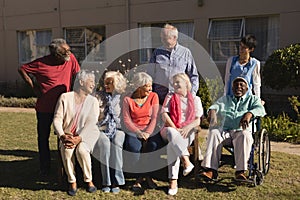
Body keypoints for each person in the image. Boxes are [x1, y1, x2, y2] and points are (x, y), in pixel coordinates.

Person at [18, 38, 80, 176]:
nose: (69, 53)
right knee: (43, 137)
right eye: (66, 51)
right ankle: (45, 167)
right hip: (45, 107)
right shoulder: (41, 63)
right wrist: (33, 87)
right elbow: (22, 69)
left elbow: (78, 74)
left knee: (63, 137)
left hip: (64, 107)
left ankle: (65, 167)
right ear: (57, 55)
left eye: (69, 50)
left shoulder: (71, 59)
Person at [200, 77, 266, 181]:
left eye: (241, 85)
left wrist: (249, 114)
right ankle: (211, 170)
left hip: (241, 131)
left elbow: (260, 109)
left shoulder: (253, 99)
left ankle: (240, 171)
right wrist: (212, 112)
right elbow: (215, 106)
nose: (238, 87)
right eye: (236, 85)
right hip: (226, 131)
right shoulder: (226, 99)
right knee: (214, 133)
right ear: (232, 88)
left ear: (247, 88)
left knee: (245, 135)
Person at [53, 70, 99, 196]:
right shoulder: (65, 97)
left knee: (82, 151)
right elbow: (57, 119)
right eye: (91, 82)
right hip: (67, 135)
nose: (93, 85)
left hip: (86, 135)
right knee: (67, 150)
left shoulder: (93, 101)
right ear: (81, 82)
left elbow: (91, 122)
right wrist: (62, 135)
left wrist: (79, 138)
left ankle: (89, 180)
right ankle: (72, 181)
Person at [160, 73, 203, 195]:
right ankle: (186, 161)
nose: (175, 84)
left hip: (187, 131)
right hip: (169, 129)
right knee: (172, 133)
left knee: (172, 147)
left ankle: (173, 181)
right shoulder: (170, 96)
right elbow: (164, 114)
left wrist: (187, 128)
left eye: (178, 82)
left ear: (186, 83)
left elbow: (198, 120)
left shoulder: (195, 99)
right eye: (174, 83)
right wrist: (175, 128)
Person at [122, 72, 163, 191]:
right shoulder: (127, 99)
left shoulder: (153, 96)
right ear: (139, 86)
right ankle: (140, 176)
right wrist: (138, 133)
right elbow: (126, 120)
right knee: (133, 147)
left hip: (150, 128)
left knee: (153, 145)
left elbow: (155, 117)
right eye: (147, 86)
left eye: (151, 86)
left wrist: (148, 133)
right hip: (134, 130)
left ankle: (146, 176)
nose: (150, 89)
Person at [93, 71, 127, 194]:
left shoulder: (123, 97)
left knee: (117, 143)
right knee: (105, 145)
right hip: (101, 128)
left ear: (117, 83)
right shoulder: (98, 96)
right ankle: (106, 181)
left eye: (110, 83)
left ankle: (116, 181)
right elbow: (94, 117)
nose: (106, 85)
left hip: (119, 129)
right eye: (105, 82)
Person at [149, 23, 199, 104]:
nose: (162, 40)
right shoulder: (157, 52)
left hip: (180, 99)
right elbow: (150, 75)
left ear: (175, 38)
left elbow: (193, 76)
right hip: (160, 98)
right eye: (161, 38)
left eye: (165, 38)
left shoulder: (185, 53)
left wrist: (191, 95)